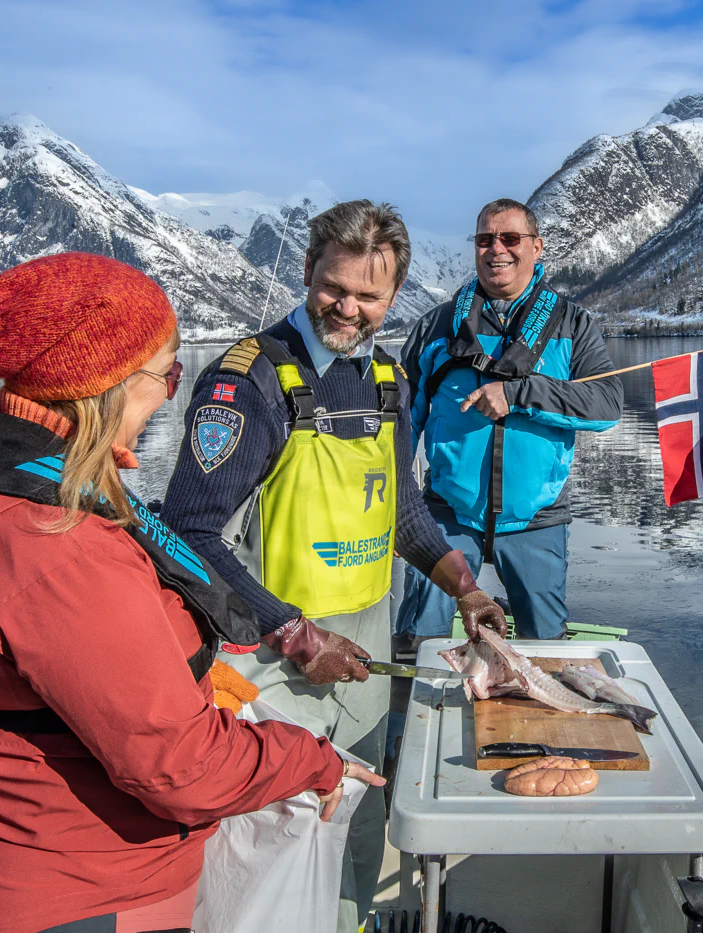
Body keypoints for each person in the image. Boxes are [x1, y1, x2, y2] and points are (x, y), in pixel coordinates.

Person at [0, 252, 383, 933]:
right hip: (73, 898)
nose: (174, 395)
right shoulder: (56, 546)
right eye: (167, 375)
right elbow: (181, 766)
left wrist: (190, 681)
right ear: (107, 385)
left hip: (18, 870)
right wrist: (311, 760)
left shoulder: (2, 492)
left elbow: (76, 675)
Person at [160, 200, 506, 932]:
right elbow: (188, 534)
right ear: (307, 270)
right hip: (268, 672)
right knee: (276, 854)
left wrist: (465, 587)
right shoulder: (246, 383)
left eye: (368, 296)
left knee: (358, 833)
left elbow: (403, 513)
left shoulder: (387, 379)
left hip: (362, 665)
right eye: (332, 288)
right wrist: (294, 634)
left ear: (395, 293)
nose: (347, 309)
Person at [396, 198, 623, 643]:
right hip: (446, 514)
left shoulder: (572, 324)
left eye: (510, 238)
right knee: (418, 642)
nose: (496, 249)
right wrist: (395, 504)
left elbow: (606, 405)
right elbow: (402, 424)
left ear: (537, 247)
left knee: (544, 646)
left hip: (536, 518)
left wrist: (518, 394)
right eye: (485, 239)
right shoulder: (436, 327)